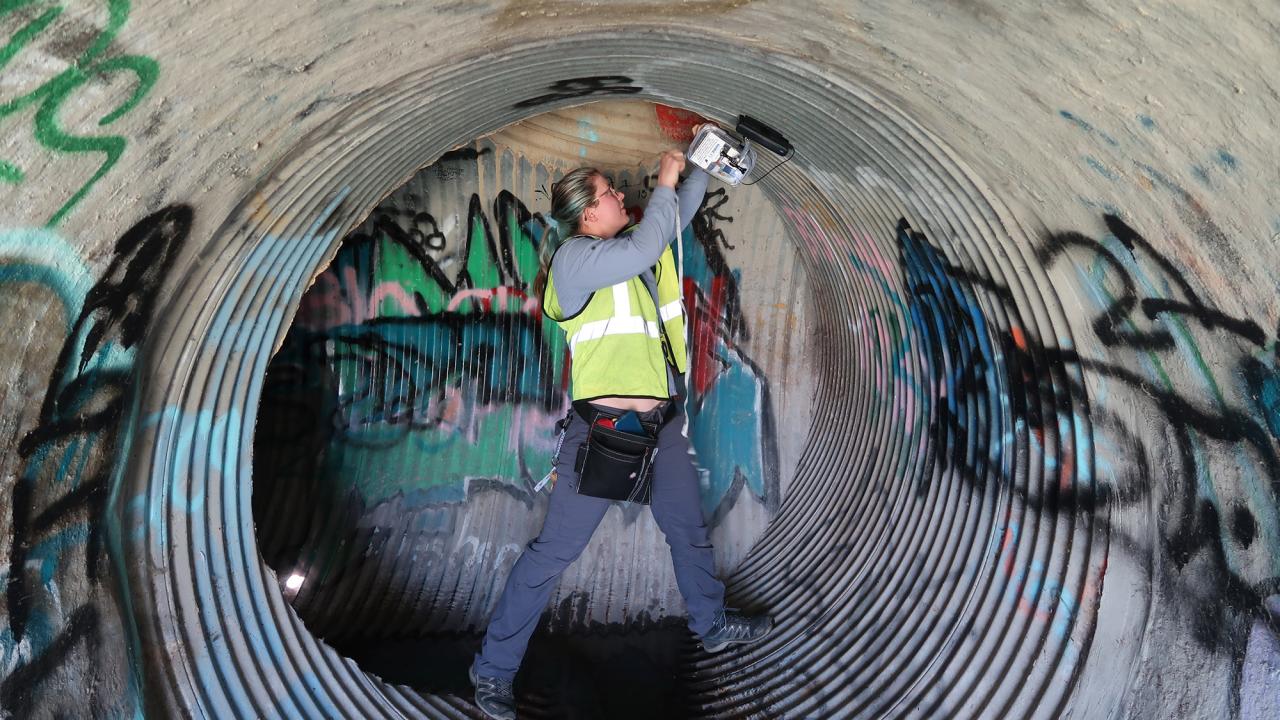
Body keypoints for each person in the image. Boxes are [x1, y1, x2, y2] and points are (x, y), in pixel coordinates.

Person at [468, 140, 773, 719]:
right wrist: (662, 179)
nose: (619, 198)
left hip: (660, 425)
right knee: (552, 554)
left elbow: (673, 220)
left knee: (688, 530)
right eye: (609, 194)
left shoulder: (636, 249)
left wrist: (699, 166)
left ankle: (711, 624)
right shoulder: (575, 261)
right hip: (602, 435)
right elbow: (652, 236)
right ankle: (493, 671)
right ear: (587, 215)